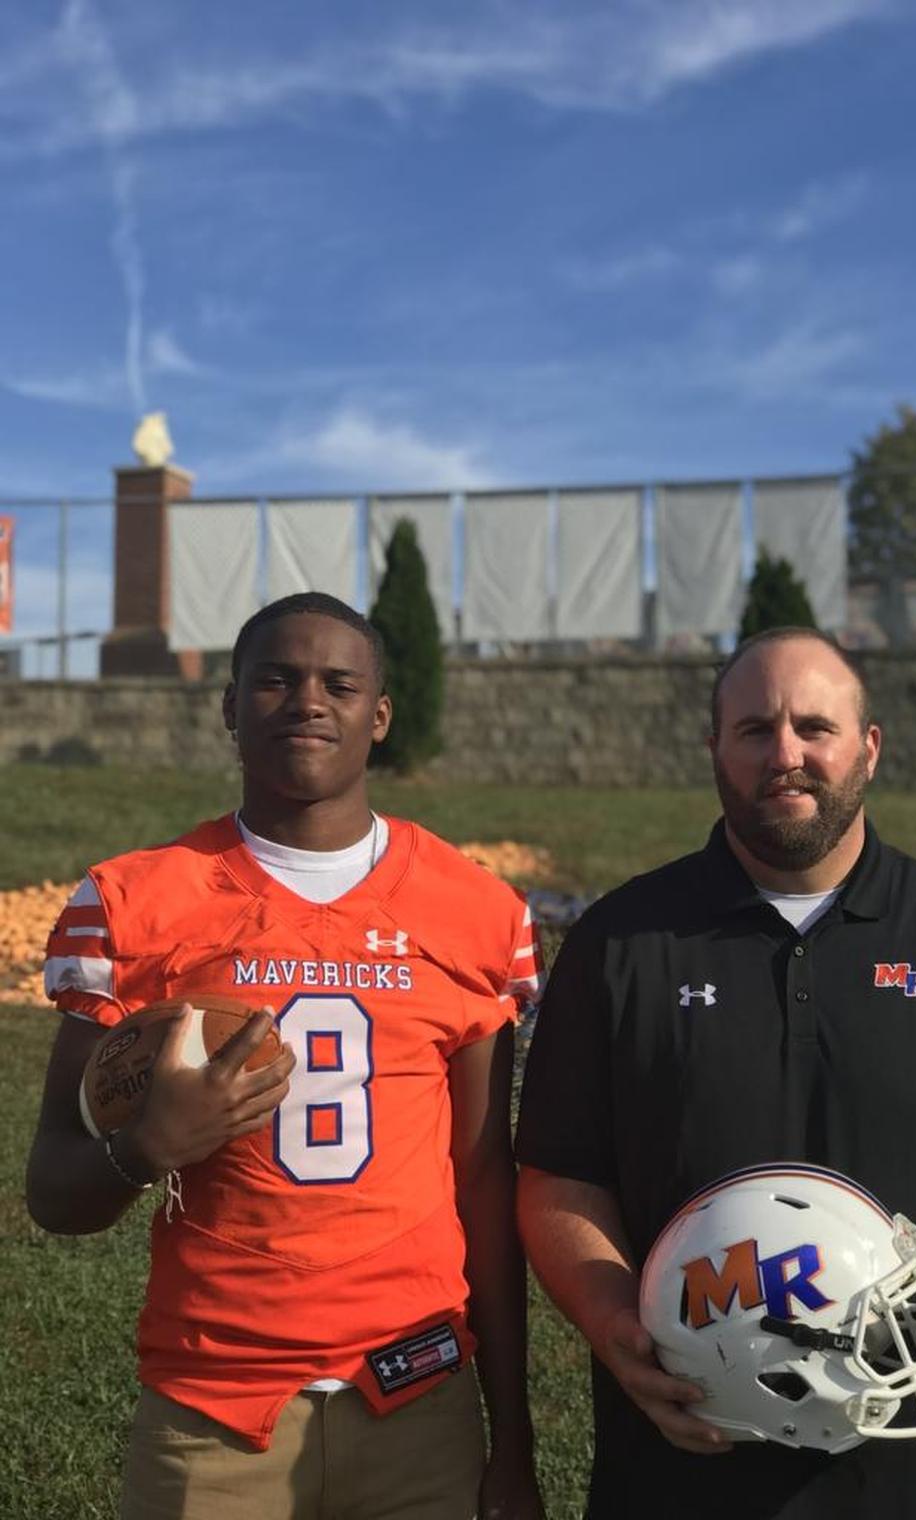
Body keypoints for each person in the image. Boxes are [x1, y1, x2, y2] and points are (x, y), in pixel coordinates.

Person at [515, 626, 916, 1520]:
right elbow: (558, 1176)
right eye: (755, 730)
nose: (786, 755)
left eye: (814, 727)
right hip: (688, 1458)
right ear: (714, 748)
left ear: (869, 748)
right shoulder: (621, 941)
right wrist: (612, 1320)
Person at [26, 591, 545, 1520]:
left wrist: (514, 1440)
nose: (308, 701)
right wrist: (147, 1147)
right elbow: (53, 1194)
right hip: (212, 1407)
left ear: (379, 715)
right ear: (230, 706)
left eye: (339, 684)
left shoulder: (474, 910)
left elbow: (482, 1184)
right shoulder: (138, 900)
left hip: (420, 1397)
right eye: (276, 679)